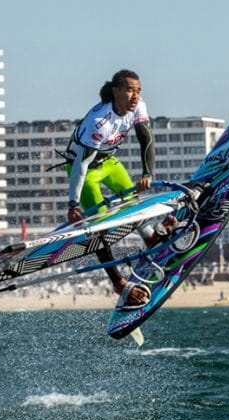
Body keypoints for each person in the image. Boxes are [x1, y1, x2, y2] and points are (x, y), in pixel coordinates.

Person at [62, 69, 176, 306]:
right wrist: (73, 204)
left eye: (138, 90)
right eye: (130, 90)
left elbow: (146, 139)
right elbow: (81, 165)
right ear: (116, 91)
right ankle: (118, 283)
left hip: (108, 162)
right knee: (100, 226)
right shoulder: (99, 122)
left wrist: (147, 174)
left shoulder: (138, 106)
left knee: (134, 202)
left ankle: (150, 237)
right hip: (83, 169)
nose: (136, 95)